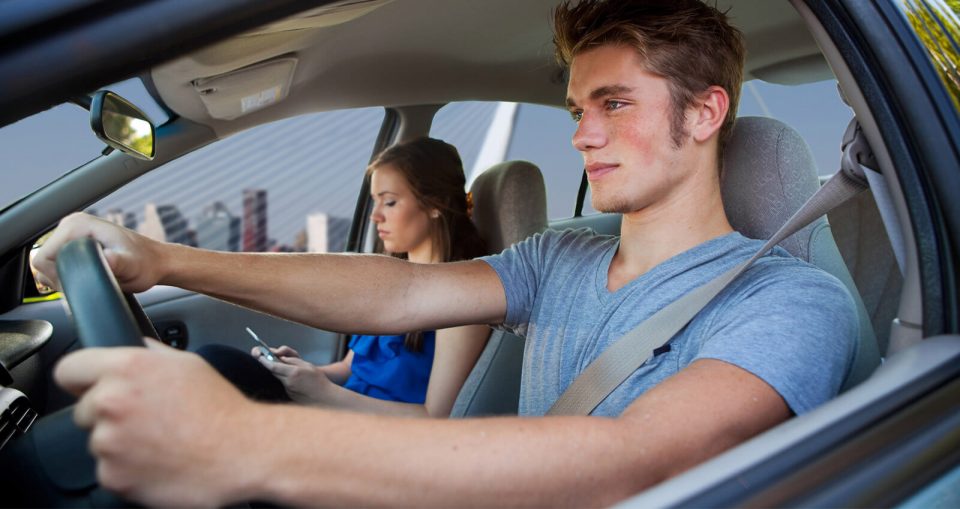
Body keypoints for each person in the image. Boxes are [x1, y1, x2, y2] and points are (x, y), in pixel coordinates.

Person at [34, 0, 858, 506]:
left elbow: (634, 463)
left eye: (615, 103)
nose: (582, 133)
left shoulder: (791, 301)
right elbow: (394, 296)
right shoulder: (558, 256)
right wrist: (164, 259)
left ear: (706, 113)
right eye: (578, 106)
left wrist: (240, 442)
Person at [200, 137, 490, 417]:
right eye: (375, 202)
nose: (375, 216)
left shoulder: (464, 300)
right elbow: (350, 369)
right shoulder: (386, 279)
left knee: (216, 366)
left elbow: (435, 419)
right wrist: (302, 372)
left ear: (435, 204)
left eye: (389, 202)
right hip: (338, 412)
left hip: (377, 439)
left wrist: (323, 393)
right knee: (214, 364)